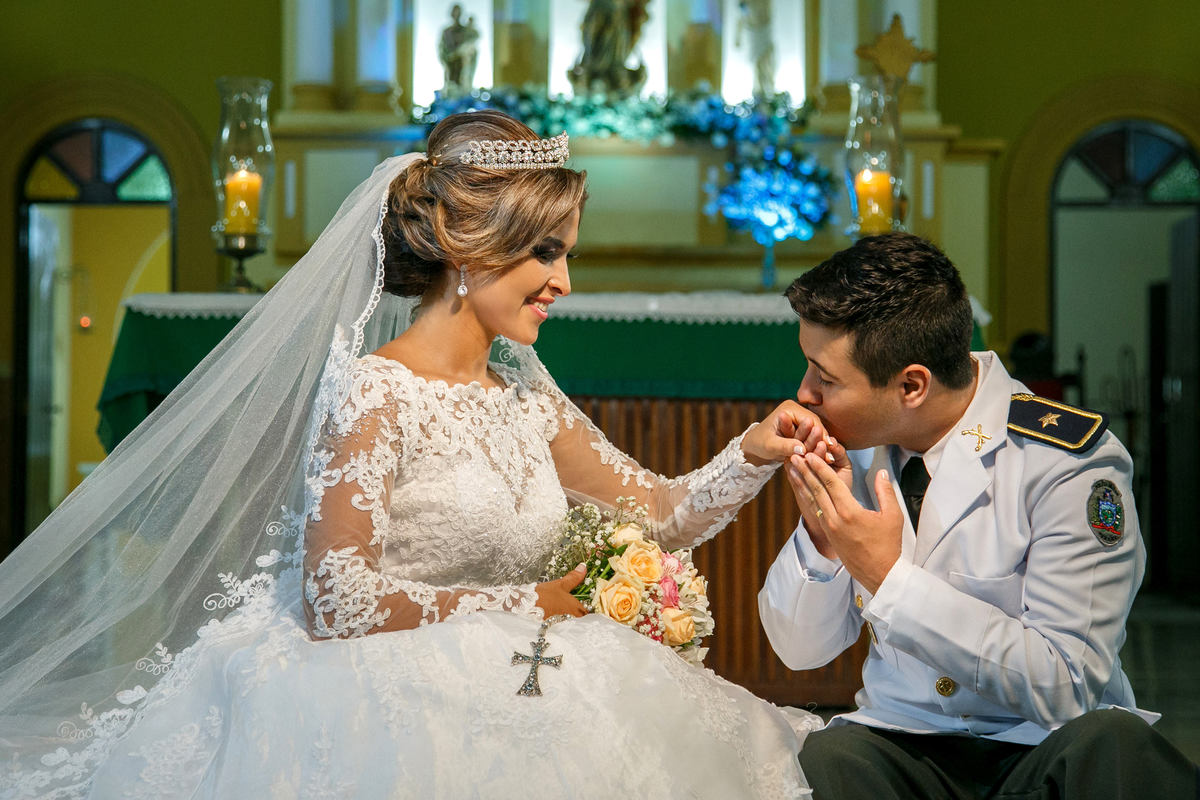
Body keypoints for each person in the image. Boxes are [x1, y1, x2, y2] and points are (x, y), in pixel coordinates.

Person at [0, 110, 821, 798]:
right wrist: (528, 601)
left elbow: (661, 514)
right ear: (469, 247)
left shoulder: (525, 390)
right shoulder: (373, 392)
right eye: (547, 252)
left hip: (523, 667)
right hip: (375, 692)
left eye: (566, 253)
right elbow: (334, 598)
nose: (564, 282)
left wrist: (751, 452)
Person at [758, 232, 1199, 798]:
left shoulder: (1068, 462)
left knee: (1112, 743)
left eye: (826, 377)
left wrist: (889, 580)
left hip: (1042, 741)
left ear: (912, 384)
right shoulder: (857, 449)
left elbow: (1067, 684)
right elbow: (800, 652)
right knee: (829, 758)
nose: (804, 392)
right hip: (906, 741)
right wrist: (821, 539)